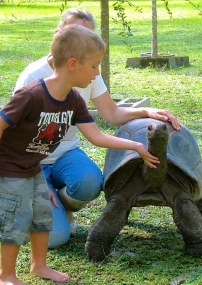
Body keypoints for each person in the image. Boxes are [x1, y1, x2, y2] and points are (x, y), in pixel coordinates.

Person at [0, 24, 160, 285]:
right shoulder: (32, 94)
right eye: (95, 66)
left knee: (41, 217)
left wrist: (135, 145)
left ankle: (39, 266)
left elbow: (96, 135)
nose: (98, 73)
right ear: (73, 64)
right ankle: (6, 275)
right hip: (9, 169)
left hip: (33, 168)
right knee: (14, 221)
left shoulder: (73, 98)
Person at [14, 8, 181, 248]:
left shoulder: (85, 72)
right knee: (56, 239)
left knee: (90, 182)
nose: (84, 43)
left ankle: (57, 206)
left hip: (65, 155)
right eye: (77, 34)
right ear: (59, 35)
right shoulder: (32, 79)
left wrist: (146, 112)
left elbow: (110, 115)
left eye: (88, 36)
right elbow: (10, 136)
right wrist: (36, 179)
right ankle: (28, 203)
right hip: (30, 162)